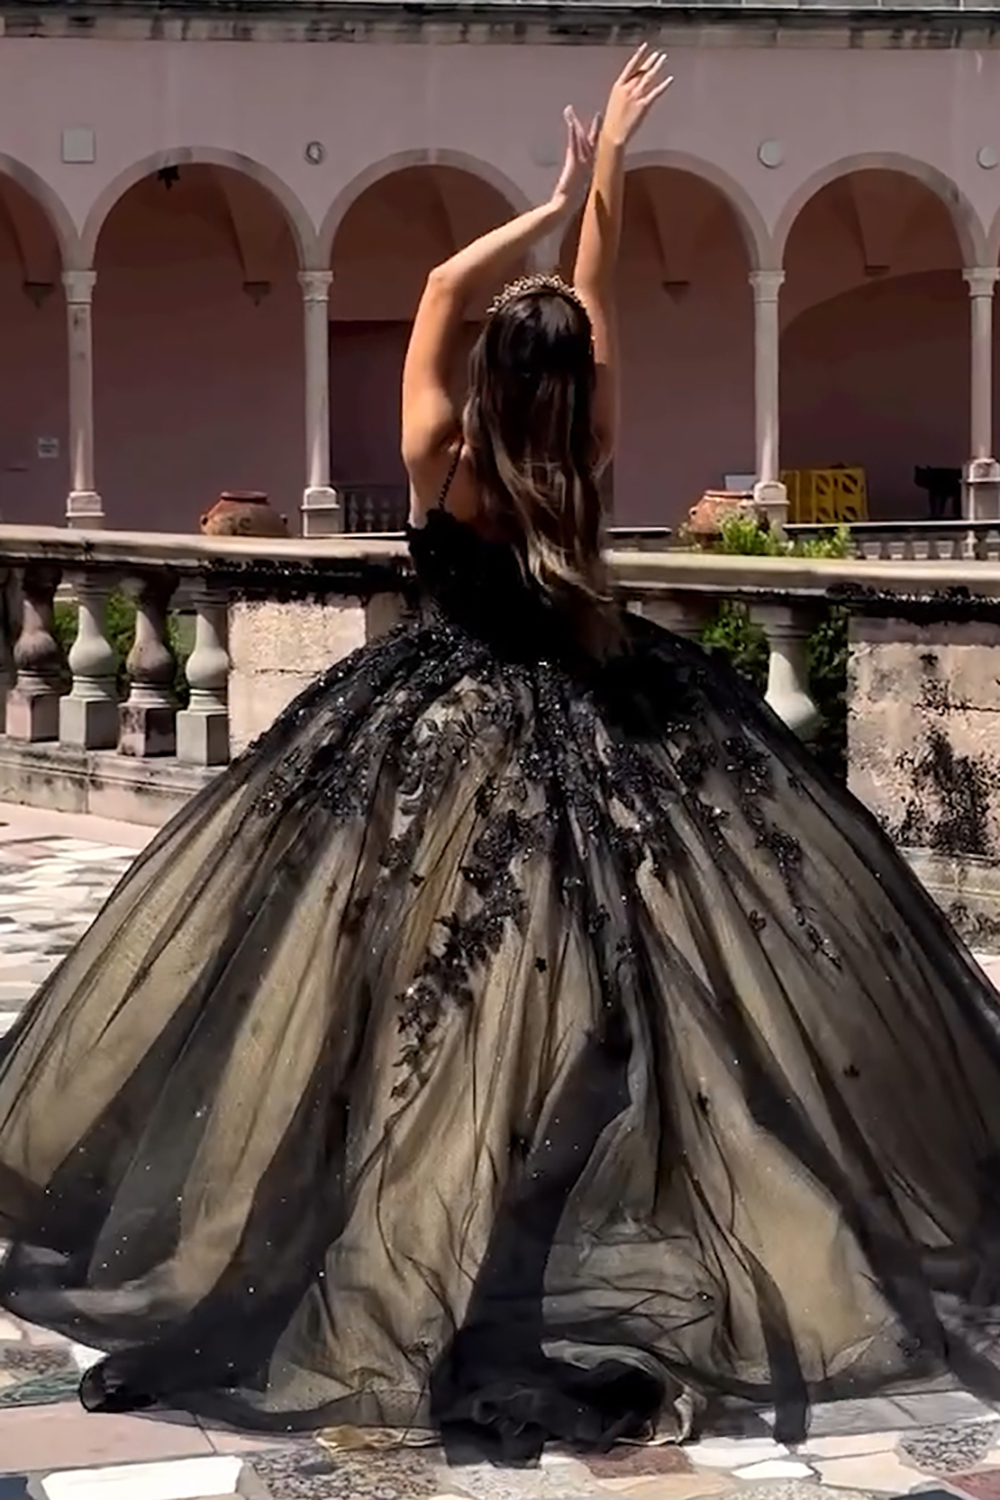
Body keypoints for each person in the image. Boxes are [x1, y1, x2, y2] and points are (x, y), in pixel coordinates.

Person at [1, 46, 1000, 1465]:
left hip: (445, 739)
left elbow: (434, 297)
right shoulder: (587, 437)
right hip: (606, 728)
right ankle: (548, 1229)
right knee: (615, 998)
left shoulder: (438, 453)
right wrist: (608, 183)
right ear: (575, 377)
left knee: (409, 999)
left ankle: (432, 1227)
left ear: (489, 366)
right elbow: (588, 312)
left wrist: (544, 202)